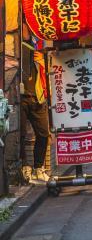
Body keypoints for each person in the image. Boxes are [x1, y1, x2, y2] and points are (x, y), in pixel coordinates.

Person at [20, 24, 50, 183]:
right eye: (24, 26)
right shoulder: (16, 48)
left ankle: (39, 167)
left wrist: (42, 62)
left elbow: (48, 72)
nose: (26, 29)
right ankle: (25, 167)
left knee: (44, 133)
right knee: (21, 134)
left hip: (38, 97)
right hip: (21, 98)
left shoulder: (39, 48)